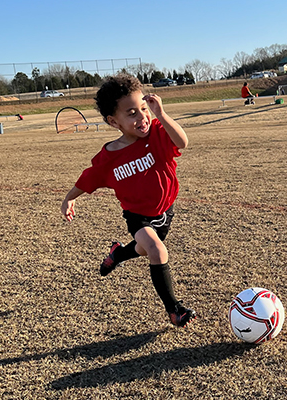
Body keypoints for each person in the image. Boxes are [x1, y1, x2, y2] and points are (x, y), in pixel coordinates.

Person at [61, 74, 197, 328]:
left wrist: (161, 114)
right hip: (138, 216)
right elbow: (87, 179)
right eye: (132, 113)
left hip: (165, 211)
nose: (142, 117)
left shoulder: (157, 132)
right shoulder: (109, 157)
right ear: (114, 121)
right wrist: (70, 198)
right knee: (156, 250)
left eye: (144, 108)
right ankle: (174, 310)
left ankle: (118, 254)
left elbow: (183, 142)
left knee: (145, 249)